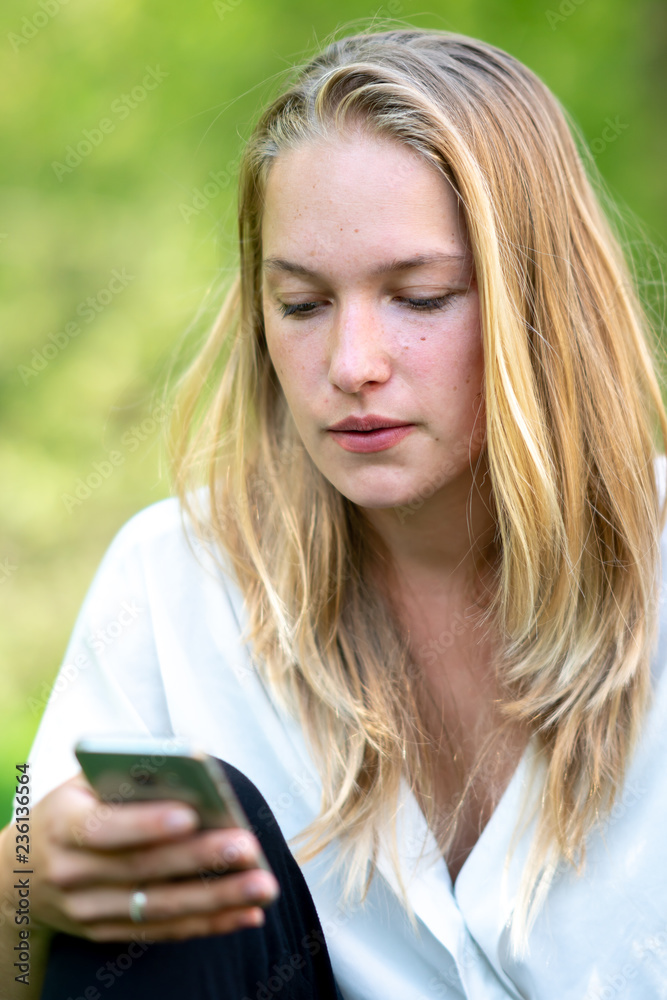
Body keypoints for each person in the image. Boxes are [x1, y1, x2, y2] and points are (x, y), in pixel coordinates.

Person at [2, 22, 667, 1000]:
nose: (352, 364)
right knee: (179, 856)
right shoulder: (173, 574)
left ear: (539, 304)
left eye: (419, 296)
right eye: (303, 305)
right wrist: (23, 888)